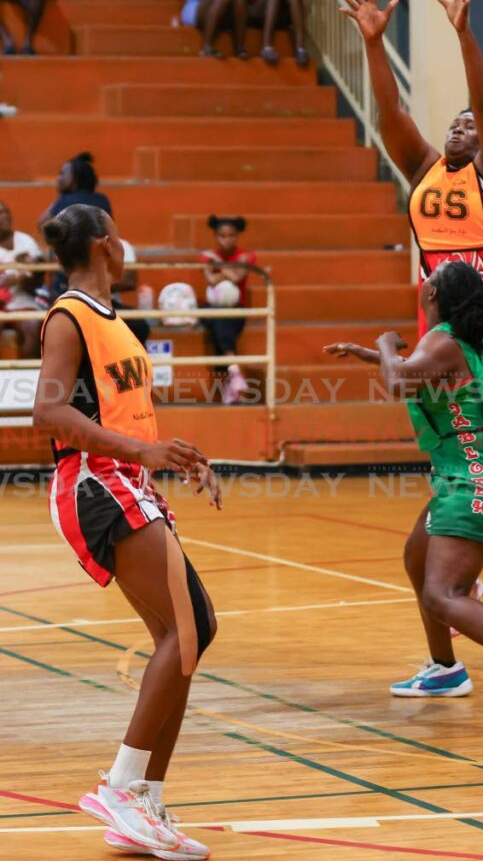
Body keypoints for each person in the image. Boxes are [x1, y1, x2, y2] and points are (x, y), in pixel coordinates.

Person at [341, 0, 483, 634]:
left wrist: (462, 31)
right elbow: (391, 116)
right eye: (451, 123)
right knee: (448, 429)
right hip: (442, 312)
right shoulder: (424, 169)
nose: (459, 127)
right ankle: (460, 554)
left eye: (469, 126)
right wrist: (373, 43)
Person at [32, 203, 220, 860]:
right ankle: (119, 785)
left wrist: (174, 453)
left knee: (192, 633)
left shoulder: (112, 318)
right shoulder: (69, 313)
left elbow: (126, 417)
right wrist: (139, 455)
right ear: (108, 244)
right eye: (122, 232)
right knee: (186, 626)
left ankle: (146, 799)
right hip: (94, 482)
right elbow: (47, 410)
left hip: (128, 479)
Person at [324, 261, 483, 728]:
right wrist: (370, 354)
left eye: (429, 280)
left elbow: (399, 381)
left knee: (443, 593)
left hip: (475, 473)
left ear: (436, 292)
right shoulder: (479, 341)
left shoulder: (440, 340)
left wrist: (383, 344)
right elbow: (425, 374)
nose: (424, 282)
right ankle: (445, 668)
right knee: (417, 558)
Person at [201, 214, 254, 405]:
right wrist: (227, 271)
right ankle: (234, 372)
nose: (226, 240)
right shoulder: (207, 256)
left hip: (237, 309)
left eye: (231, 236)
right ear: (215, 236)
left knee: (221, 323)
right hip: (214, 308)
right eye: (222, 236)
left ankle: (229, 381)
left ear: (237, 236)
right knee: (218, 320)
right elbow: (211, 280)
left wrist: (220, 267)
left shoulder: (248, 255)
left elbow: (237, 278)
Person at [0, 200, 44, 358]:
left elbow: (37, 280)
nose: (4, 216)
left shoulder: (24, 241)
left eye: (6, 212)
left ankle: (30, 377)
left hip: (22, 300)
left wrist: (18, 280)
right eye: (0, 213)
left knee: (31, 325)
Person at [40, 152, 113, 227]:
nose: (58, 178)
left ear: (75, 178)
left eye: (62, 173)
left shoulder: (66, 201)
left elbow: (43, 224)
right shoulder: (102, 200)